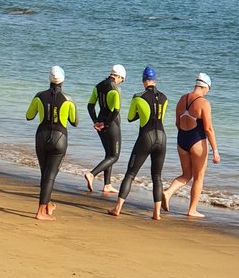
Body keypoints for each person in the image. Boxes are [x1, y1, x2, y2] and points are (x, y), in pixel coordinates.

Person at [109, 66, 168, 221]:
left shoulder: (138, 97)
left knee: (130, 173)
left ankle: (117, 208)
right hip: (162, 138)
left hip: (146, 137)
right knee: (157, 176)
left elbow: (130, 117)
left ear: (143, 81)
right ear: (155, 80)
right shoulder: (165, 97)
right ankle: (157, 213)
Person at [162, 73, 219, 218]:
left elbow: (177, 123)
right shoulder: (204, 103)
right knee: (199, 177)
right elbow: (208, 129)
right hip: (197, 141)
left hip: (182, 140)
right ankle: (192, 210)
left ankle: (168, 192)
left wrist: (185, 135)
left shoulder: (182, 99)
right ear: (205, 87)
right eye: (208, 90)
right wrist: (215, 150)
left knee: (186, 174)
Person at [26, 66, 78, 221]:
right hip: (59, 139)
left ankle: (47, 205)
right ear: (62, 80)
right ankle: (40, 212)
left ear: (49, 79)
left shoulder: (39, 96)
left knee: (45, 173)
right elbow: (75, 122)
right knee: (50, 175)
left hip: (41, 137)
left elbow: (29, 116)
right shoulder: (68, 99)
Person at [84, 64, 127, 195]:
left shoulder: (98, 86)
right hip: (111, 124)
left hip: (101, 121)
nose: (121, 82)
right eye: (122, 80)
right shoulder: (115, 89)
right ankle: (92, 174)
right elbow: (116, 111)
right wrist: (106, 124)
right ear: (119, 76)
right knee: (114, 156)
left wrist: (97, 121)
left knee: (109, 154)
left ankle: (107, 185)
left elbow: (90, 106)